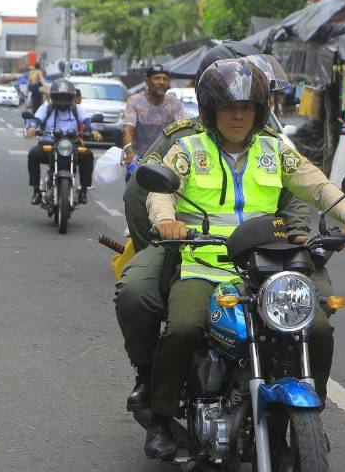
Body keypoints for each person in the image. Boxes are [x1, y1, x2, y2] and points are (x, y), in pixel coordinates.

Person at [141, 58, 345, 460]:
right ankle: (162, 419)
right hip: (205, 264)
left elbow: (317, 185)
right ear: (210, 110)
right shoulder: (188, 148)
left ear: (258, 111)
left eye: (246, 107)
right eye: (228, 107)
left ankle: (309, 419)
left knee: (316, 329)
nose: (237, 115)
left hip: (267, 269)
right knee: (181, 328)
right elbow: (160, 190)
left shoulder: (275, 151)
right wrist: (167, 221)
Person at [114, 42, 316, 414]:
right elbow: (138, 196)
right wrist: (164, 239)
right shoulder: (184, 137)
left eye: (251, 89)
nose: (240, 103)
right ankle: (149, 378)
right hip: (187, 244)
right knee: (136, 292)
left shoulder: (274, 140)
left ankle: (306, 404)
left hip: (269, 250)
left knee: (316, 313)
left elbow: (300, 190)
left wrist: (299, 235)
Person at [26, 78, 101, 207]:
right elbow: (35, 120)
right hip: (49, 144)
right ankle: (36, 190)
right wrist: (32, 128)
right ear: (53, 98)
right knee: (33, 154)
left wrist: (94, 131)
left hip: (72, 144)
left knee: (88, 155)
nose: (62, 102)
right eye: (59, 98)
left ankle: (83, 190)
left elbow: (89, 121)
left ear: (71, 98)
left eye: (65, 98)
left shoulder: (77, 109)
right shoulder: (46, 108)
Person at [122, 65, 186, 167]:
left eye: (165, 79)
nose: (161, 82)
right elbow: (128, 128)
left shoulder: (175, 103)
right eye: (157, 78)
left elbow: (183, 130)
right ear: (147, 81)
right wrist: (129, 152)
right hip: (138, 156)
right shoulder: (135, 101)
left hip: (166, 158)